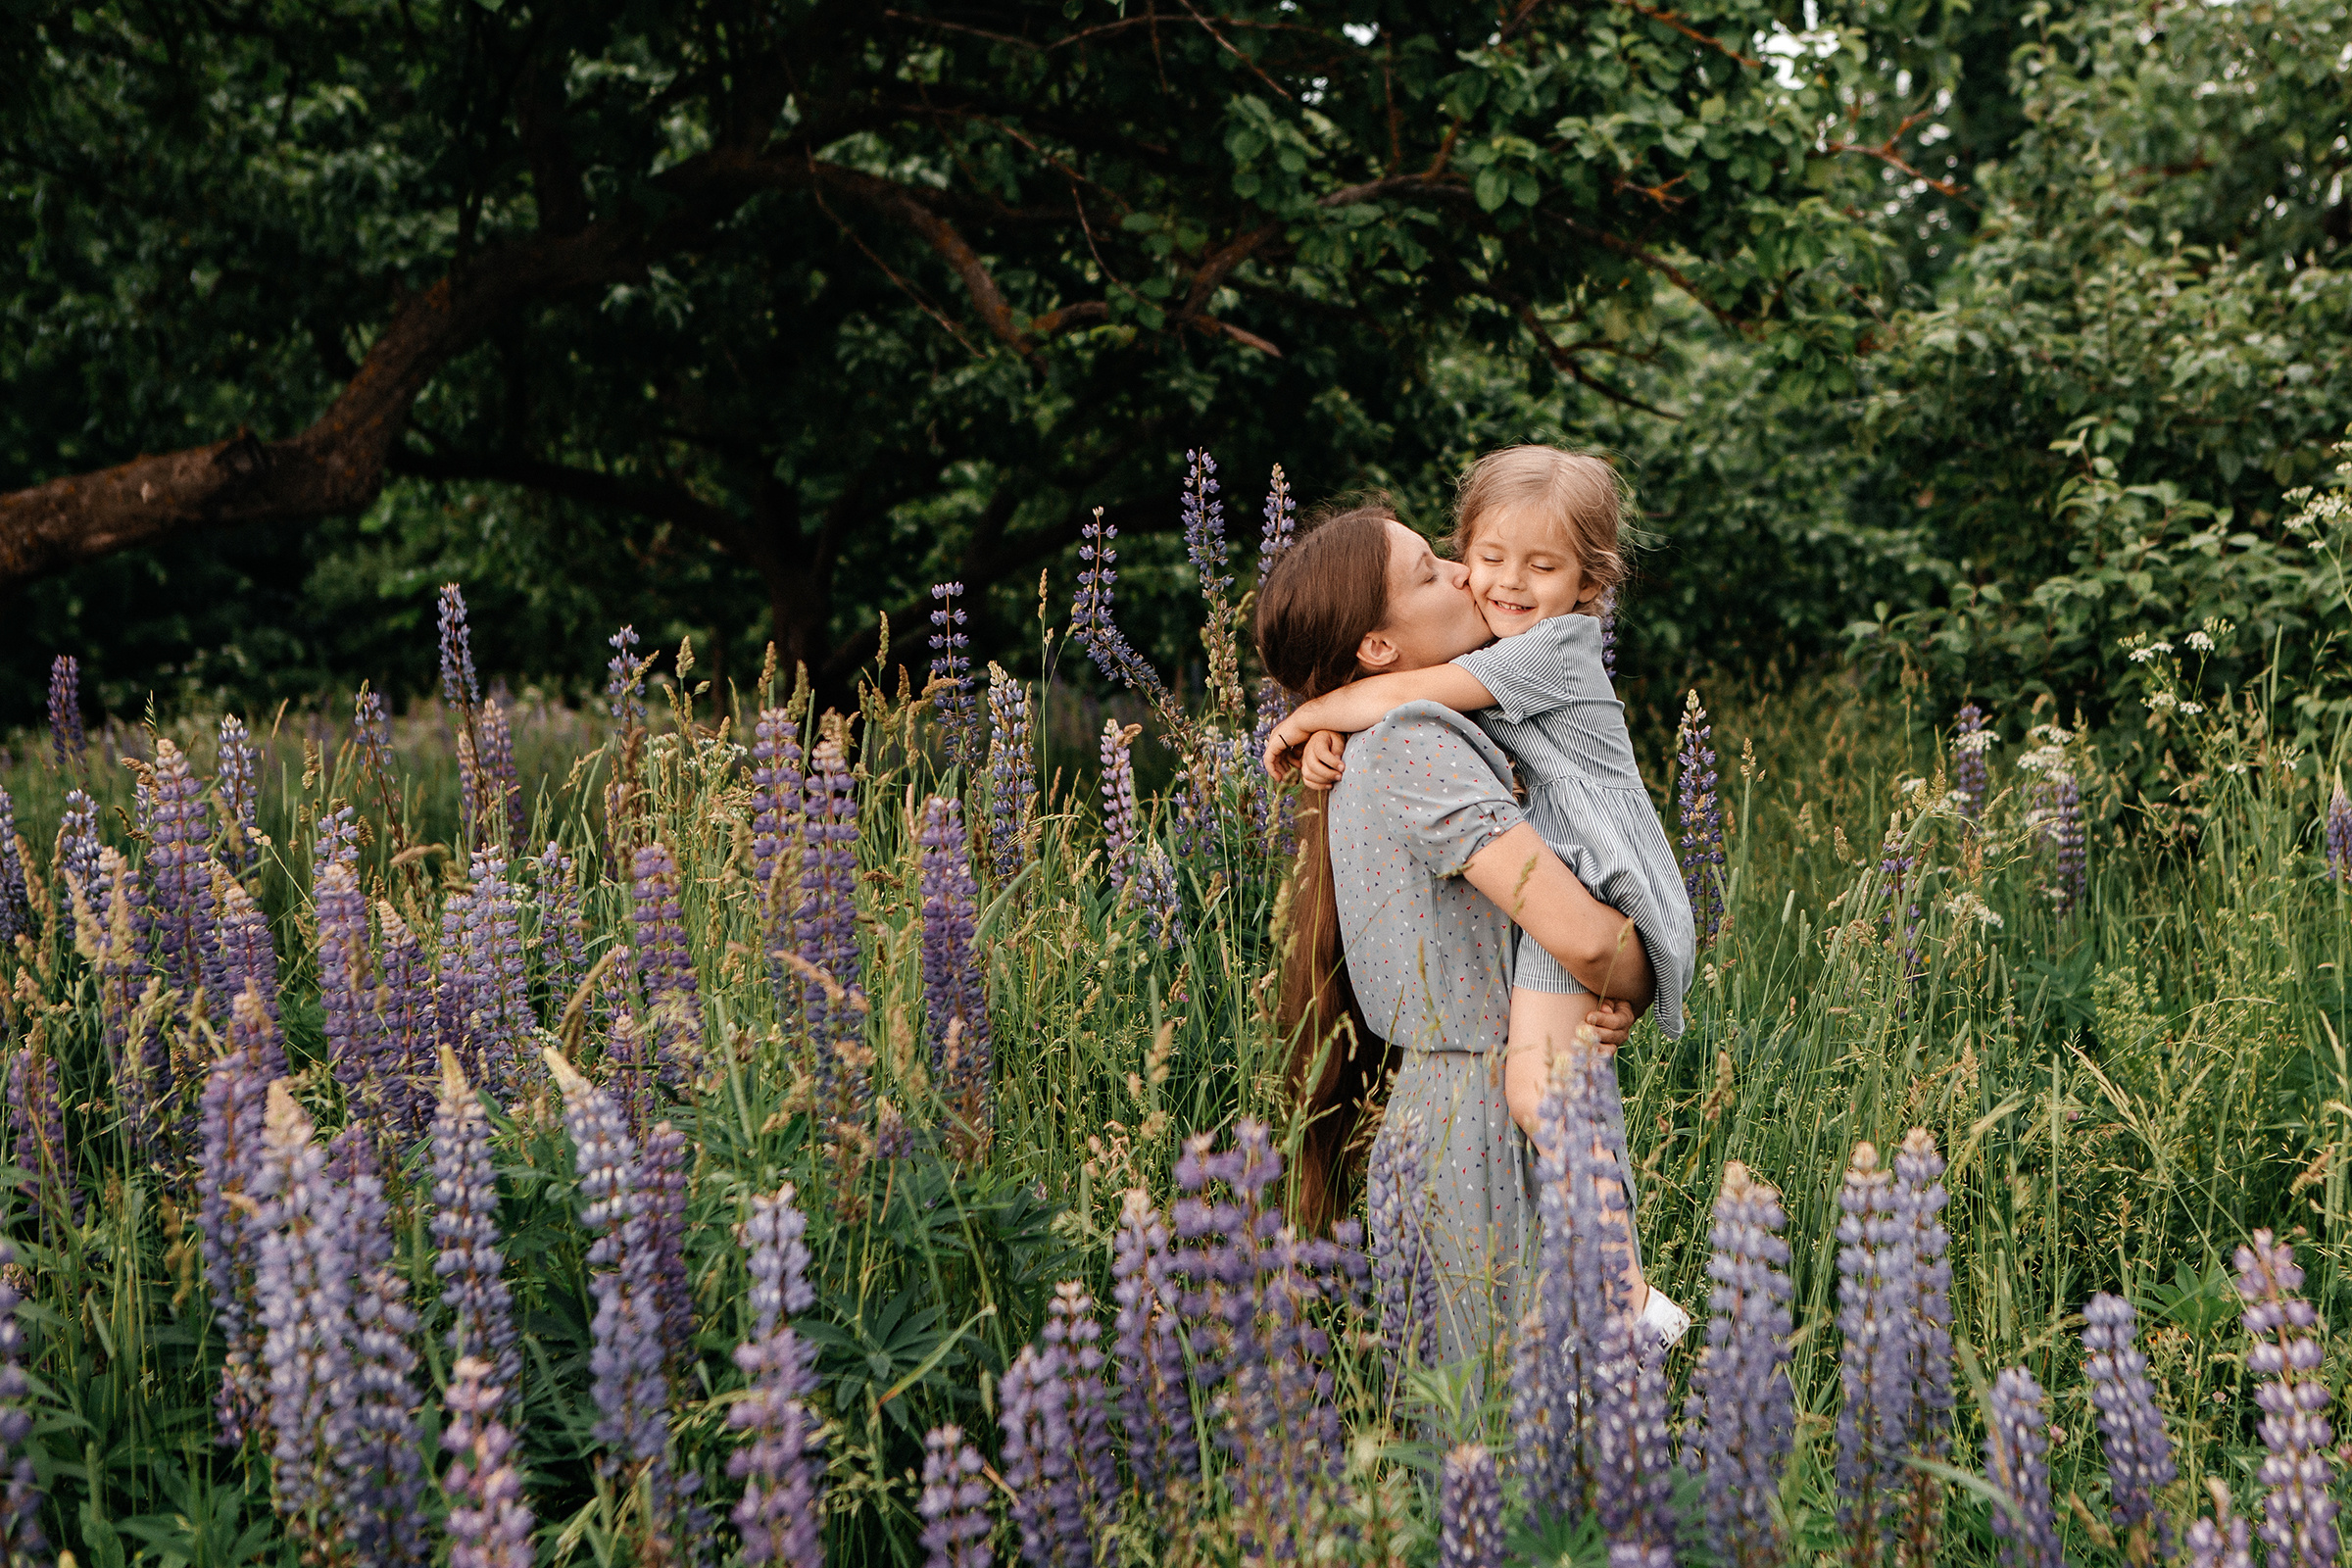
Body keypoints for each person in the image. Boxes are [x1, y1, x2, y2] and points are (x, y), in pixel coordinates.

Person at [1264, 449, 1697, 1348]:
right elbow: (1582, 941)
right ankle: (1633, 1303)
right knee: (1510, 1418)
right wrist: (1618, 974)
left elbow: (1581, 940)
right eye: (1441, 565)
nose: (1473, 575)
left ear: (1587, 582)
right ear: (1376, 642)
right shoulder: (1415, 735)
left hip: (1514, 1039)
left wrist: (1318, 712)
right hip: (1477, 1122)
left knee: (1505, 1420)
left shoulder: (1505, 674)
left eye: (1541, 565)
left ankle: (1629, 1303)